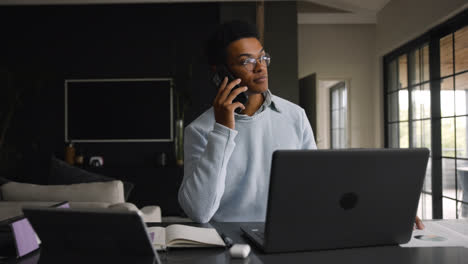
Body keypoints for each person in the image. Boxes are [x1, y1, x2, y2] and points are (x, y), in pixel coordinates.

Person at [177, 20, 425, 229]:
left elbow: (316, 185)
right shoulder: (200, 130)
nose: (260, 66)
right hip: (226, 243)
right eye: (246, 61)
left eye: (262, 56)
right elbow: (199, 211)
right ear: (221, 72)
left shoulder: (294, 115)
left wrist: (381, 211)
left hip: (287, 235)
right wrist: (223, 130)